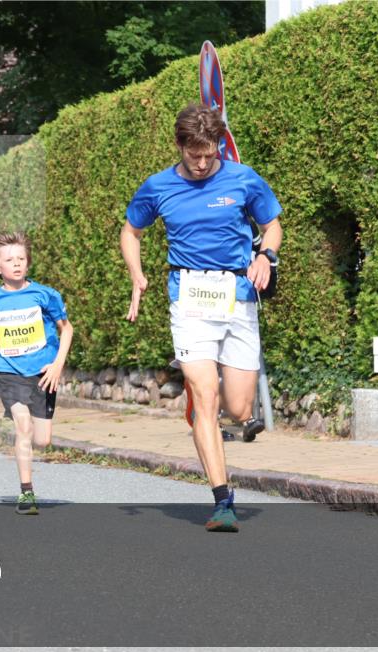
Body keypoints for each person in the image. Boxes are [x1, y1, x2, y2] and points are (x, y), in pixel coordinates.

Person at [120, 104, 282, 532]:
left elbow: (273, 224)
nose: (203, 161)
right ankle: (222, 500)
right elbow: (131, 231)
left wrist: (266, 255)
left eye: (210, 153)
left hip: (238, 296)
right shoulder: (158, 187)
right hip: (189, 297)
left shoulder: (243, 178)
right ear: (180, 146)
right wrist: (137, 274)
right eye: (195, 154)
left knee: (239, 406)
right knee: (207, 396)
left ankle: (203, 397)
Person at [0, 232, 73, 515]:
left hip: (43, 374)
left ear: (27, 264)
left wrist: (57, 365)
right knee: (23, 426)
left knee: (42, 440)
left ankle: (27, 453)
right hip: (8, 373)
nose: (16, 263)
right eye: (9, 259)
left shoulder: (45, 294)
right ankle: (26, 493)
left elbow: (67, 329)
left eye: (21, 259)